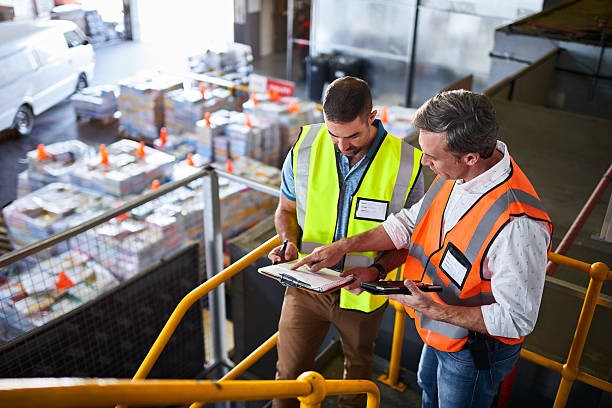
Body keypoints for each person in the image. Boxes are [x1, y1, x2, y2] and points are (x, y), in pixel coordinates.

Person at [293, 90, 552, 407]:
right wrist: (345, 248)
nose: (424, 162)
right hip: (441, 327)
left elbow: (516, 319)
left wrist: (432, 309)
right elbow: (407, 224)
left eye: (432, 157)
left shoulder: (518, 226)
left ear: (470, 157)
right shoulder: (458, 171)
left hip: (472, 349)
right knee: (427, 386)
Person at [268, 76, 424, 408]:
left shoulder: (408, 164)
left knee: (356, 384)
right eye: (333, 134)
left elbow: (411, 239)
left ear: (372, 116)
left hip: (362, 295)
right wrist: (288, 242)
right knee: (288, 378)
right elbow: (285, 209)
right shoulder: (307, 145)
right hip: (306, 286)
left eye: (352, 135)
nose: (342, 145)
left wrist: (379, 268)